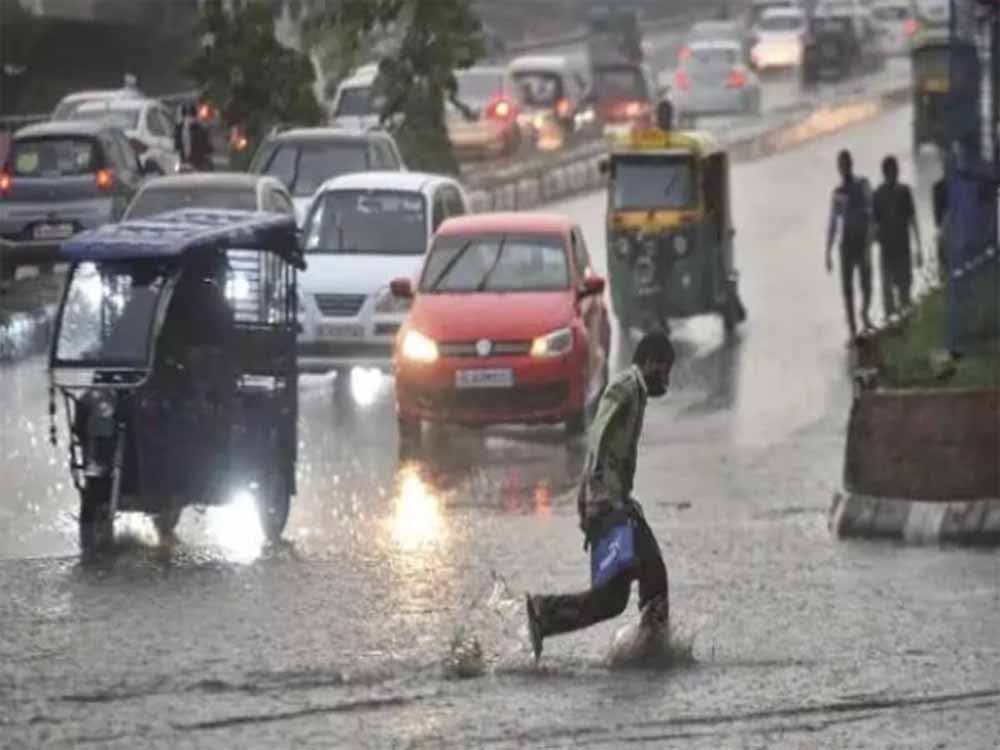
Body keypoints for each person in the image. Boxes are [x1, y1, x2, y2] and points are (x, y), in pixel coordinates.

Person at [524, 332, 674, 661]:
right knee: (654, 570)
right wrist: (596, 496)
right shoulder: (626, 386)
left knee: (611, 600)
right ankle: (655, 644)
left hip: (614, 501)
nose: (667, 380)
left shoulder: (638, 393)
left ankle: (544, 614)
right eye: (665, 369)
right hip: (609, 504)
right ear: (650, 361)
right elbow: (599, 434)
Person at [825, 149, 874, 342]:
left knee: (866, 283)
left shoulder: (863, 184)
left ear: (851, 164)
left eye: (846, 164)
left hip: (862, 240)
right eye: (841, 165)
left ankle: (865, 313)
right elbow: (832, 223)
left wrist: (871, 238)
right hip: (846, 244)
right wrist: (827, 252)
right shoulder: (837, 193)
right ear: (839, 168)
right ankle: (853, 329)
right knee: (847, 289)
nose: (844, 168)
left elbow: (872, 213)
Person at [872, 156, 923, 320]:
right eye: (893, 171)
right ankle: (898, 327)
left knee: (903, 295)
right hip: (889, 254)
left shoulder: (903, 192)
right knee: (891, 300)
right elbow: (874, 225)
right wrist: (875, 237)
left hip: (900, 252)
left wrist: (919, 248)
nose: (895, 174)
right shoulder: (878, 195)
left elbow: (912, 220)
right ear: (887, 172)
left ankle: (904, 326)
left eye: (895, 171)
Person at [174, 103, 213, 172]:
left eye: (190, 116)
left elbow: (206, 146)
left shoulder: (200, 129)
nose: (188, 119)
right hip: (183, 162)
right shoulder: (179, 128)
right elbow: (177, 145)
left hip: (196, 163)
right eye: (186, 116)